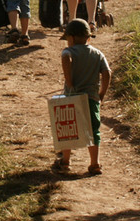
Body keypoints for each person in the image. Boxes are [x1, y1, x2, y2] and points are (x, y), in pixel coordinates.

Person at [52, 18, 111, 176]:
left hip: (72, 97)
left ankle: (65, 162)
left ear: (70, 38)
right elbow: (107, 73)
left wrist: (69, 81)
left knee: (67, 128)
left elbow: (66, 59)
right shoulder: (98, 54)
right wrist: (102, 94)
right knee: (93, 131)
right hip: (91, 98)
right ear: (88, 38)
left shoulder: (68, 51)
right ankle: (95, 163)